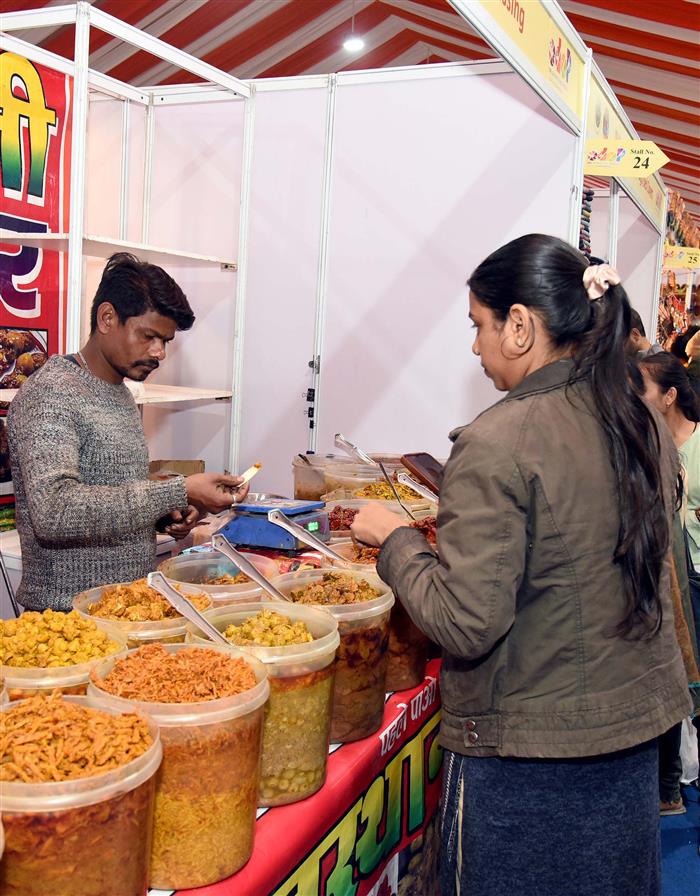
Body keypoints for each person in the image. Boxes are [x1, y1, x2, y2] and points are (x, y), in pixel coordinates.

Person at [351, 235, 690, 896]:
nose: (475, 348)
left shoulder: (498, 440)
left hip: (530, 759)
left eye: (479, 326)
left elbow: (467, 622)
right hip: (627, 743)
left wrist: (396, 542)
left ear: (519, 325)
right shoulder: (641, 421)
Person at [7, 253, 247, 612]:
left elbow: (109, 490)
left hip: (124, 610)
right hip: (69, 624)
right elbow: (54, 511)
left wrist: (167, 513)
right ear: (107, 318)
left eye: (165, 341)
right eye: (149, 336)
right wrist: (175, 491)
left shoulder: (119, 391)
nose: (159, 353)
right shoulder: (50, 393)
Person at [640, 351, 700, 811]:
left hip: (694, 574)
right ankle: (671, 787)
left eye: (642, 388)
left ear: (669, 396)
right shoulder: (650, 445)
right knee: (675, 676)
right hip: (676, 574)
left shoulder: (692, 448)